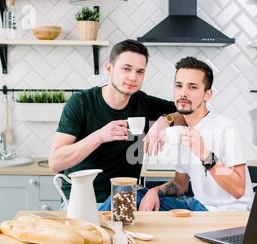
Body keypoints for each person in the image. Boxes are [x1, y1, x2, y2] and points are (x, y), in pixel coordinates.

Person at [100, 56, 254, 211]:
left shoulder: (225, 127)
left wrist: (204, 154)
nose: (183, 93)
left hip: (230, 212)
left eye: (192, 87)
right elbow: (180, 184)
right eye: (179, 86)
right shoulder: (183, 131)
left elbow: (238, 190)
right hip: (198, 206)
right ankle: (92, 232)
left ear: (207, 94)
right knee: (127, 193)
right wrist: (155, 191)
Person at [49, 39, 185, 205]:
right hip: (84, 201)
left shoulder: (143, 102)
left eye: (140, 71)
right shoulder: (81, 103)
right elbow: (55, 163)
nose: (133, 77)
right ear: (109, 68)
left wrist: (165, 120)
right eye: (126, 69)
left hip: (124, 201)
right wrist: (100, 136)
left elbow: (189, 114)